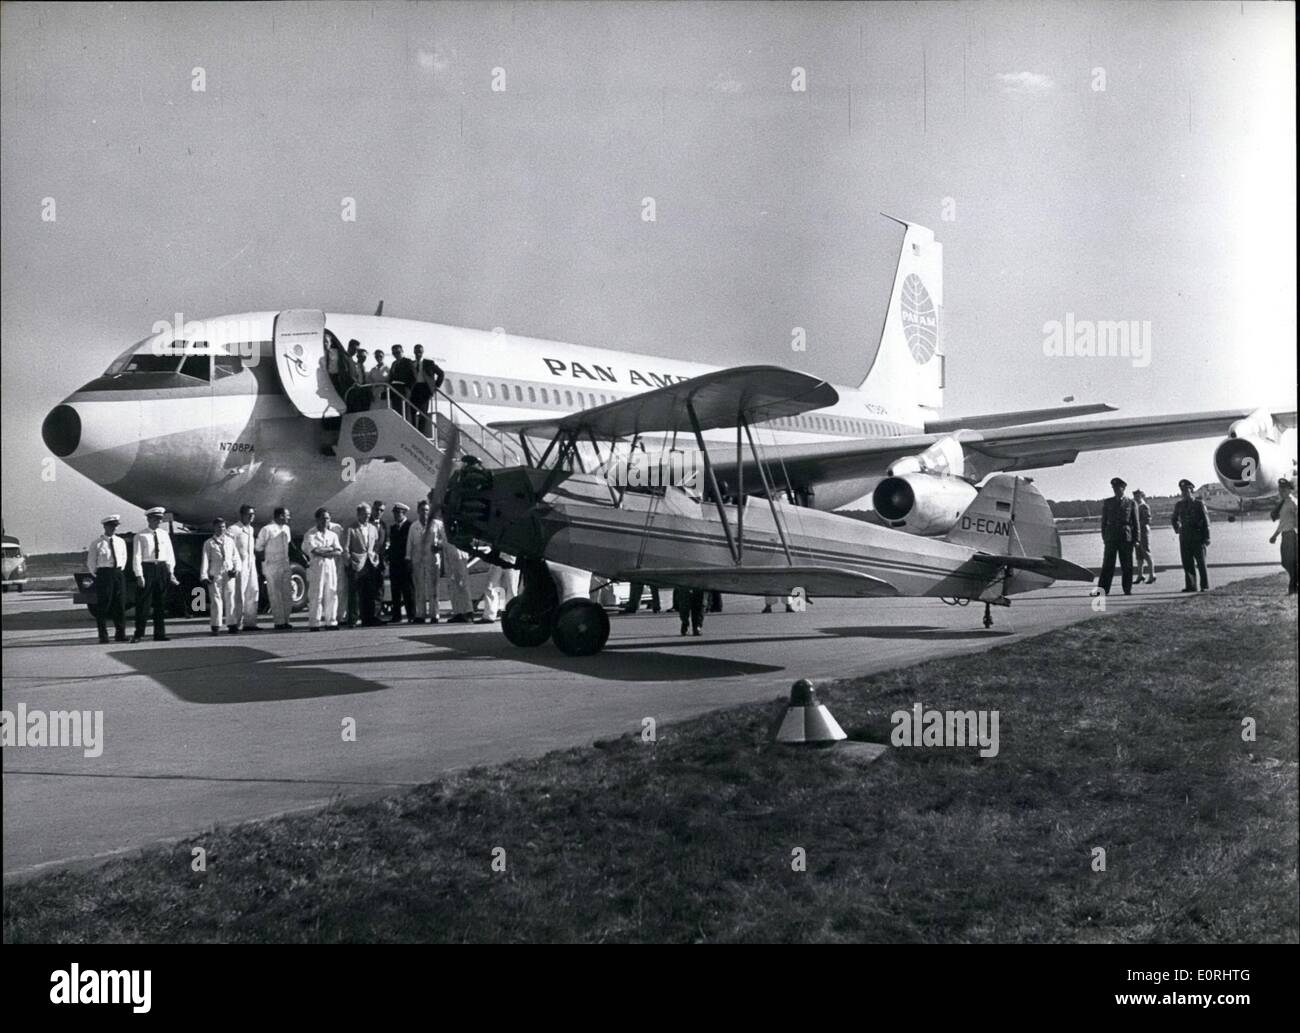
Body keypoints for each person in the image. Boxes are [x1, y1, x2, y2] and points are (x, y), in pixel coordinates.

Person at [132, 506, 180, 641]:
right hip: (147, 568)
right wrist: (139, 575)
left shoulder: (164, 534)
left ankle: (159, 633)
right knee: (144, 604)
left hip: (162, 568)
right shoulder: (140, 535)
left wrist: (171, 572)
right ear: (149, 519)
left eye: (160, 519)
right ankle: (139, 634)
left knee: (160, 603)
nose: (159, 522)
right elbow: (136, 556)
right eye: (156, 519)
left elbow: (170, 555)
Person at [86, 515, 128, 643]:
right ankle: (103, 636)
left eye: (115, 526)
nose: (113, 529)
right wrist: (99, 575)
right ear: (105, 527)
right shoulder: (97, 543)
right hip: (104, 575)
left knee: (119, 605)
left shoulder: (121, 542)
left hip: (118, 574)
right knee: (103, 606)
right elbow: (91, 563)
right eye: (111, 526)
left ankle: (120, 634)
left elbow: (124, 558)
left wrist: (118, 571)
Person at [199, 516, 242, 635]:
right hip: (215, 573)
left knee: (230, 598)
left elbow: (235, 557)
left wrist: (236, 569)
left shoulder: (230, 541)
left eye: (223, 527)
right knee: (216, 600)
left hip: (228, 573)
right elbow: (205, 560)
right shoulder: (209, 543)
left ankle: (232, 624)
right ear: (214, 528)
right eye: (219, 527)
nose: (221, 529)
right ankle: (216, 625)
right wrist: (204, 575)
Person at [255, 507, 295, 629]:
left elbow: (287, 544)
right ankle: (279, 622)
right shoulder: (267, 529)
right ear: (280, 516)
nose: (289, 517)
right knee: (275, 594)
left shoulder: (286, 529)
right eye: (287, 515)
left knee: (287, 593)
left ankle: (286, 620)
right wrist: (266, 563)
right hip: (272, 565)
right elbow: (258, 548)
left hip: (285, 564)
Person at [304, 508, 343, 630]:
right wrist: (329, 549)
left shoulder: (333, 535)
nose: (325, 521)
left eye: (327, 518)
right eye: (323, 518)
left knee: (332, 593)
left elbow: (338, 551)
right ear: (317, 519)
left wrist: (324, 550)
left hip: (330, 565)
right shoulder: (310, 534)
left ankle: (331, 621)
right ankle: (314, 622)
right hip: (317, 566)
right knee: (316, 594)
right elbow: (314, 550)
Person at [1098, 477, 1139, 595]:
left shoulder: (1131, 503)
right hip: (1111, 537)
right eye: (1114, 488)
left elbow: (1135, 523)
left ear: (1123, 488)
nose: (1115, 490)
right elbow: (1104, 522)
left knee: (1127, 564)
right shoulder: (1108, 502)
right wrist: (1104, 537)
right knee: (1107, 565)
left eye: (1118, 488)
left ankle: (1127, 589)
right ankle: (1103, 590)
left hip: (1126, 537)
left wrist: (1137, 539)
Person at [1171, 478, 1211, 592]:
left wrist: (1207, 537)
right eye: (1182, 491)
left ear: (1191, 491)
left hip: (1197, 537)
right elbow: (1174, 518)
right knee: (1187, 563)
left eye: (1186, 491)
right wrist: (1176, 526)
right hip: (1184, 537)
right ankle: (1191, 585)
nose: (1184, 493)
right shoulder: (1179, 505)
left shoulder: (1199, 504)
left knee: (1201, 563)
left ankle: (1204, 585)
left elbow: (1206, 521)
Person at [347, 503, 382, 626]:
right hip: (357, 563)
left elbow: (376, 544)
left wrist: (375, 556)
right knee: (355, 592)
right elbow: (346, 548)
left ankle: (368, 618)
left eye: (368, 514)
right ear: (358, 514)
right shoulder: (351, 529)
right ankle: (352, 619)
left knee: (369, 591)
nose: (367, 517)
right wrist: (350, 562)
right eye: (364, 514)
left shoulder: (373, 528)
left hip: (370, 562)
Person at [407, 499, 441, 623]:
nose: (424, 513)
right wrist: (408, 559)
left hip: (433, 560)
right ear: (418, 511)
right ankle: (420, 614)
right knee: (419, 588)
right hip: (418, 561)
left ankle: (434, 614)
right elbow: (409, 544)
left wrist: (440, 545)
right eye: (422, 510)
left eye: (426, 510)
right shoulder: (413, 526)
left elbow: (444, 539)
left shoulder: (436, 524)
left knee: (433, 588)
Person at [229, 504, 261, 631]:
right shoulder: (234, 529)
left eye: (253, 514)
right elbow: (228, 547)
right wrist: (232, 565)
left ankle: (250, 623)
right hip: (239, 565)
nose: (251, 517)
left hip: (250, 564)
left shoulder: (251, 529)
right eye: (249, 514)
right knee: (238, 594)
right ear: (242, 515)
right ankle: (236, 623)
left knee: (253, 592)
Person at [1268, 477, 1297, 595]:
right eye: (1280, 490)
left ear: (1289, 490)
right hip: (1285, 535)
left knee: (1289, 562)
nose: (1281, 492)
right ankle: (1294, 585)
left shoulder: (1292, 502)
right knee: (1286, 562)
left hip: (1291, 535)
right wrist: (1274, 535)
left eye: (1284, 490)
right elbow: (1282, 523)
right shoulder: (1284, 503)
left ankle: (1293, 588)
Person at [387, 502, 414, 623]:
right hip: (395, 564)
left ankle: (411, 614)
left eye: (398, 513)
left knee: (408, 590)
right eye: (395, 513)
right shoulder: (393, 528)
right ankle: (396, 615)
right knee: (395, 591)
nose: (396, 515)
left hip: (405, 563)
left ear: (404, 513)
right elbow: (393, 545)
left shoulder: (410, 526)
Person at [410, 343, 445, 434]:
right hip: (414, 389)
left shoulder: (429, 363)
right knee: (412, 411)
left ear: (423, 352)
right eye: (417, 351)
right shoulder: (412, 363)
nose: (418, 353)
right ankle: (413, 430)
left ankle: (421, 432)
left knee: (423, 412)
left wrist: (435, 386)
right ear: (414, 352)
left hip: (424, 389)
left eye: (420, 352)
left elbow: (441, 373)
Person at [441, 535, 475, 623]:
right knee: (452, 584)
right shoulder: (440, 524)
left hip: (458, 552)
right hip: (448, 552)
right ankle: (458, 612)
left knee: (463, 583)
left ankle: (468, 611)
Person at [481, 553, 518, 622]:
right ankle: (489, 616)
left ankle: (512, 614)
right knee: (490, 586)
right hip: (498, 556)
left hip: (511, 556)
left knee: (512, 588)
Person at [328, 514, 350, 626]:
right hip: (326, 561)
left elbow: (342, 546)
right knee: (329, 590)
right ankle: (330, 616)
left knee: (341, 588)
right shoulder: (314, 531)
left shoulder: (337, 528)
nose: (325, 520)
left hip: (338, 560)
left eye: (327, 518)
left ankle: (340, 616)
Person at [1132, 489, 1156, 585]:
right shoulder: (1136, 506)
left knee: (1146, 552)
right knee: (1139, 555)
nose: (1136, 498)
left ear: (1142, 496)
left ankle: (1152, 574)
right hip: (1137, 532)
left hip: (1143, 531)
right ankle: (1140, 575)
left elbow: (1147, 520)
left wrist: (1136, 525)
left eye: (1138, 496)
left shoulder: (1144, 506)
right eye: (1135, 496)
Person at [370, 500, 389, 615]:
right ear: (372, 509)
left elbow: (386, 540)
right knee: (368, 588)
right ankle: (367, 615)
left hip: (380, 561)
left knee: (379, 588)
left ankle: (377, 614)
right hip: (369, 561)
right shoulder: (367, 523)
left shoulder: (383, 525)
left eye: (381, 510)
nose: (379, 512)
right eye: (377, 509)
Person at [388, 344, 415, 419]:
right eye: (394, 353)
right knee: (396, 412)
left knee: (405, 412)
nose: (396, 354)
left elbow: (413, 377)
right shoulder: (394, 364)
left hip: (404, 391)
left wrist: (408, 389)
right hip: (394, 391)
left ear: (402, 351)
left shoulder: (408, 362)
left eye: (398, 352)